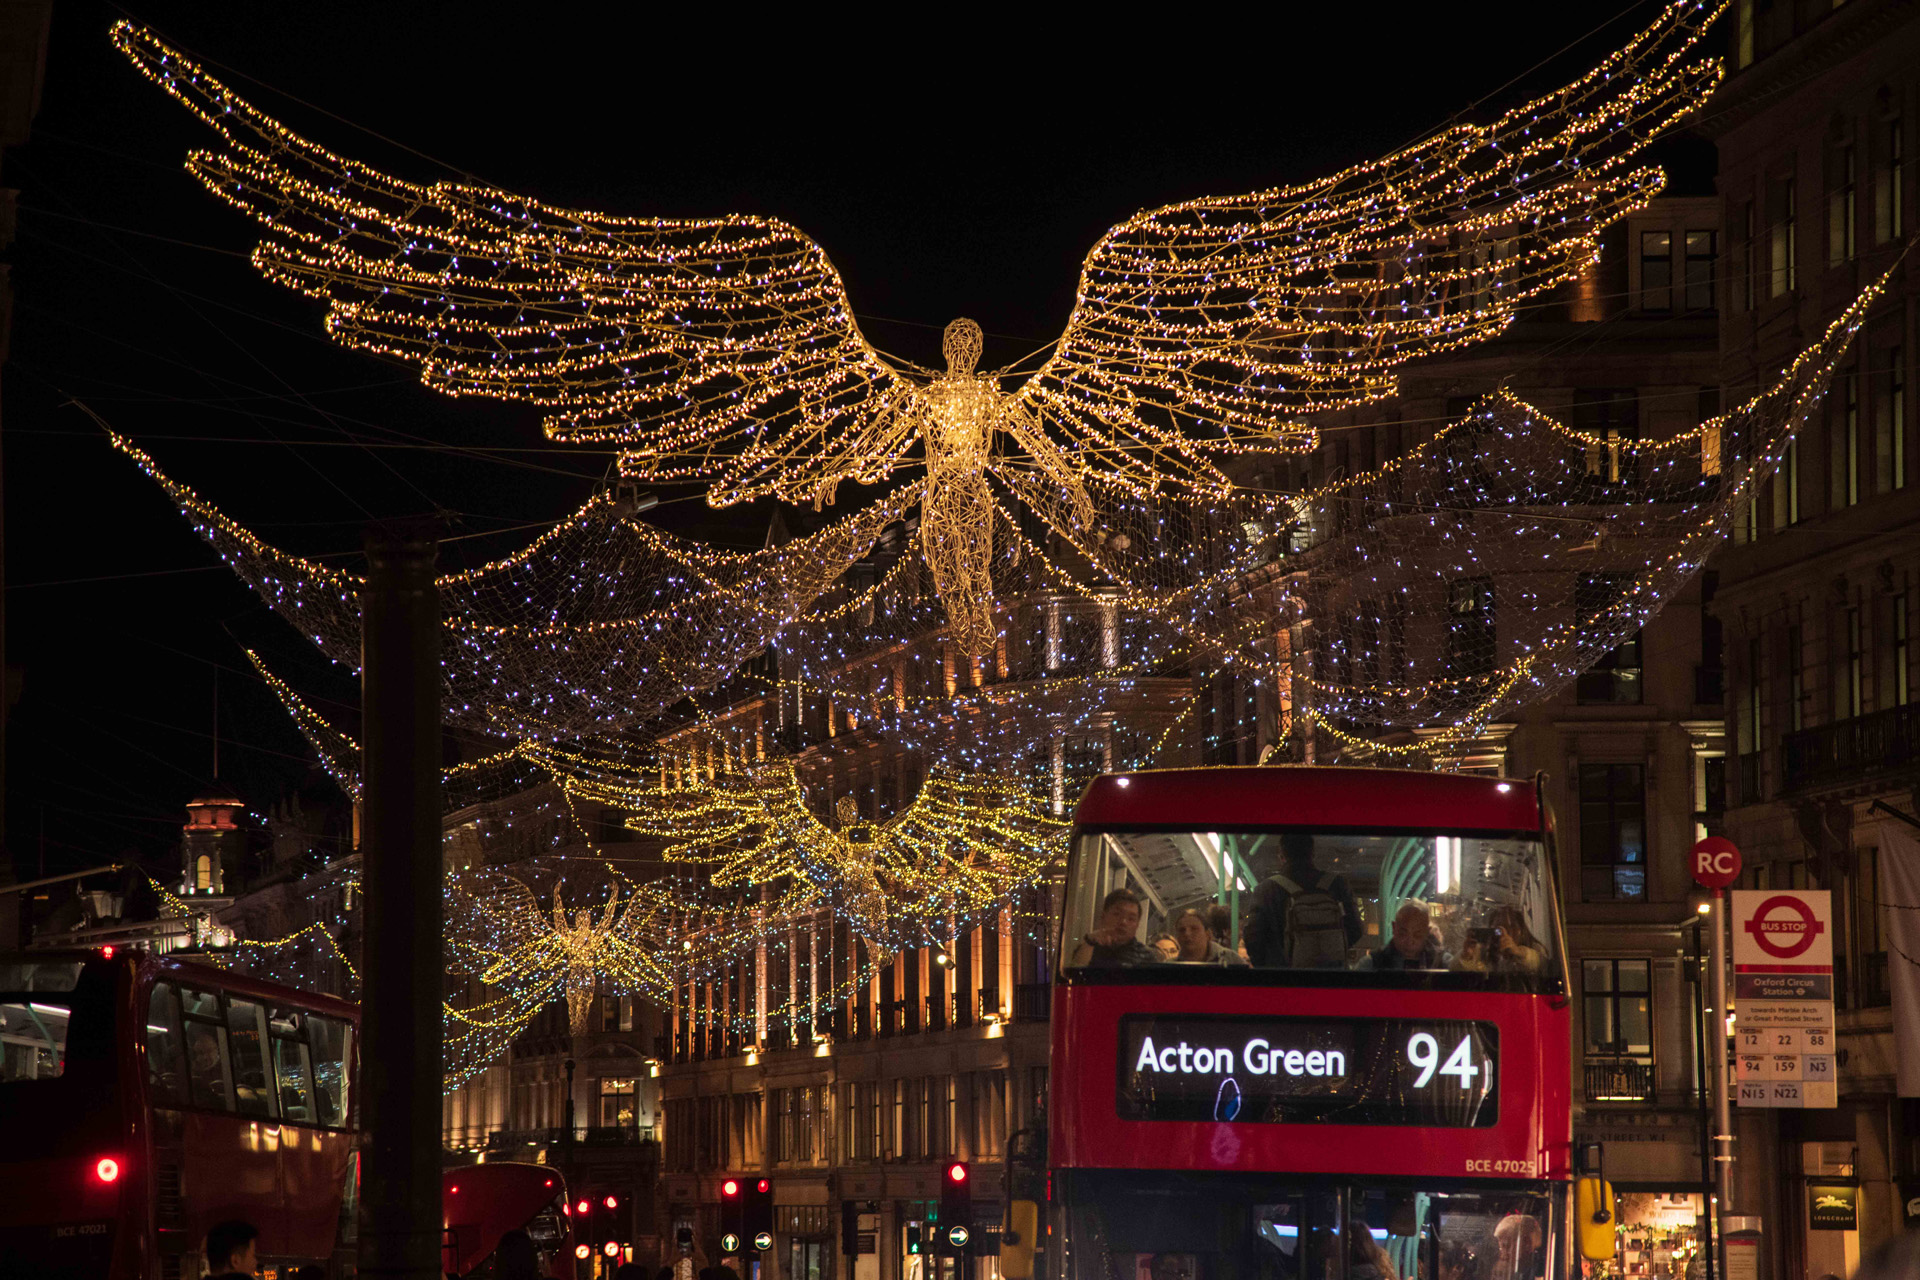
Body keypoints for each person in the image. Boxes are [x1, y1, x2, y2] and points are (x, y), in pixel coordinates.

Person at [1242, 833, 1362, 968]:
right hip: (1331, 980)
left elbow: (1253, 938)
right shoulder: (1338, 884)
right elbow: (1356, 929)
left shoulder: (1266, 890)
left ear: (1281, 857)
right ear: (1313, 854)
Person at [1069, 888, 1160, 967]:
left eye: (1131, 918)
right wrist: (1090, 942)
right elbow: (1076, 978)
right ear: (1103, 916)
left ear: (1137, 924)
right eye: (1117, 914)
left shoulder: (1146, 957)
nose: (1123, 922)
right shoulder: (1089, 947)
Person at [1359, 900, 1451, 971]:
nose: (1409, 941)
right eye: (1403, 934)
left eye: (1417, 935)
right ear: (1394, 928)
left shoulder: (1374, 964)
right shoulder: (1372, 964)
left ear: (1427, 932)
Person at [1172, 907, 1248, 965]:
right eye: (1182, 930)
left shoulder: (1231, 960)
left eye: (1194, 929)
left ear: (1207, 934)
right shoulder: (1170, 965)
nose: (1187, 933)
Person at [1491, 1213, 1544, 1280]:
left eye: (1507, 1246)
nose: (1503, 1255)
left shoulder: (1543, 1271)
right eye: (1500, 1248)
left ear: (1527, 1243)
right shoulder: (1524, 1272)